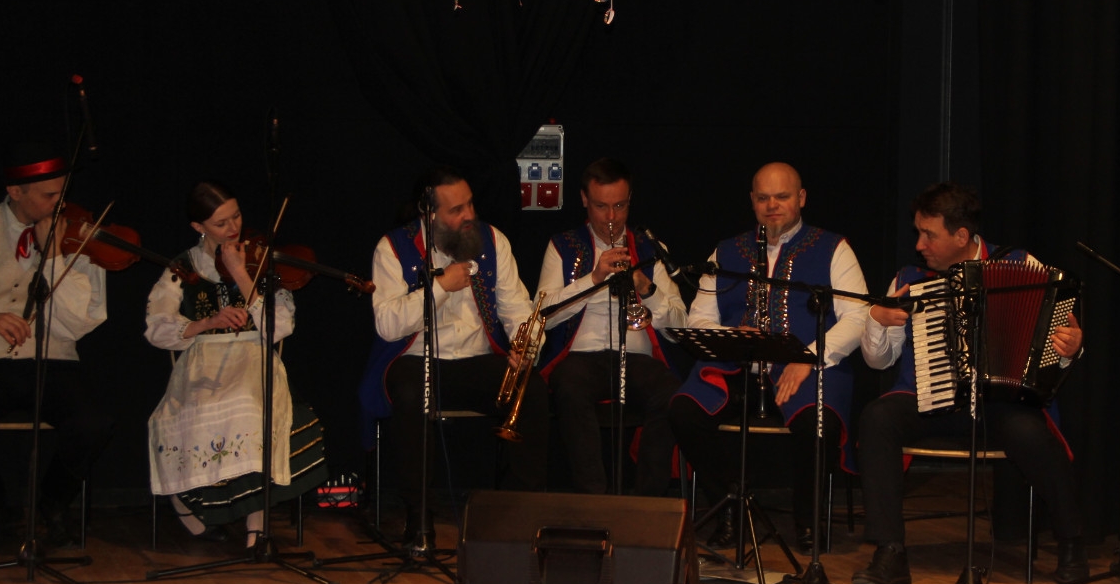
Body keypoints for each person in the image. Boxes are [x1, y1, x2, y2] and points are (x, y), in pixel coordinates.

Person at [852, 182, 1087, 584]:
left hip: (1001, 402)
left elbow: (1055, 346)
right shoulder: (909, 280)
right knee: (878, 417)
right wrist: (876, 320)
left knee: (1031, 432)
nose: (919, 244)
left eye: (929, 235)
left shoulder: (1020, 265)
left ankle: (1071, 542)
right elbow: (879, 361)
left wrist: (1070, 348)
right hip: (931, 397)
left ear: (961, 235)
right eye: (918, 233)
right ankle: (890, 552)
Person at [669, 162, 868, 552]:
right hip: (739, 365)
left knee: (818, 422)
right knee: (683, 412)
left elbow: (858, 316)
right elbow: (699, 318)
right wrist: (731, 337)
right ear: (752, 201)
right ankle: (729, 508)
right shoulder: (726, 250)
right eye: (763, 198)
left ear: (801, 198)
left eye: (782, 196)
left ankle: (807, 522)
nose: (772, 205)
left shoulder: (833, 248)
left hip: (806, 366)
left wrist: (808, 358)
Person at [362, 165, 547, 537]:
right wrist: (441, 287)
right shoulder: (393, 248)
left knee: (533, 389)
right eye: (456, 210)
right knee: (410, 392)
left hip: (477, 359)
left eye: (470, 205)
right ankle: (419, 517)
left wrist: (526, 347)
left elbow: (518, 310)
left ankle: (517, 512)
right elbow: (387, 324)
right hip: (416, 360)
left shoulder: (493, 241)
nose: (468, 216)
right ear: (429, 214)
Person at [144, 182, 327, 547]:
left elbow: (279, 328)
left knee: (250, 407)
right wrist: (205, 323)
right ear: (198, 227)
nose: (233, 228)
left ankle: (256, 526)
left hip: (252, 355)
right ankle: (188, 505)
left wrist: (242, 274)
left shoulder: (261, 262)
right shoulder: (183, 267)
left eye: (237, 216)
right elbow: (156, 329)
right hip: (204, 360)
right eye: (220, 223)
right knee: (189, 413)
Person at [0, 143, 113, 547]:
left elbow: (82, 321)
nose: (61, 204)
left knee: (94, 424)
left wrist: (54, 257)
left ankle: (53, 505)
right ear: (15, 191)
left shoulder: (78, 237)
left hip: (54, 359)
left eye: (62, 193)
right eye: (49, 195)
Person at [536, 158, 687, 495]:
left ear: (630, 200)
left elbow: (680, 325)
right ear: (584, 200)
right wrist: (593, 279)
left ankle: (647, 501)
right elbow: (542, 314)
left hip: (636, 357)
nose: (611, 217)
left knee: (671, 393)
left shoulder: (651, 249)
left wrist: (647, 288)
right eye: (601, 206)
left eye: (619, 206)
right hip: (581, 358)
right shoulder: (562, 246)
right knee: (570, 388)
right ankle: (594, 499)